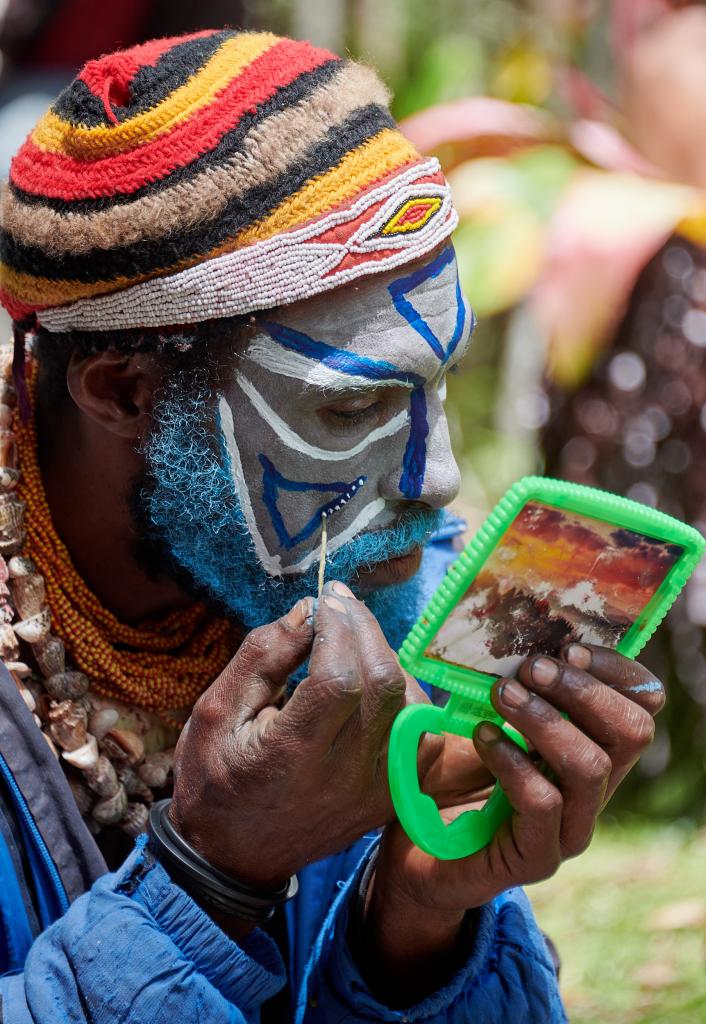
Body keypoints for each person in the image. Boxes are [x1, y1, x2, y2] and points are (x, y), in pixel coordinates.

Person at [0, 28, 664, 1022]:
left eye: (435, 389)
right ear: (123, 389)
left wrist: (415, 924)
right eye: (351, 410)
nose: (437, 480)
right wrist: (211, 881)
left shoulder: (380, 592)